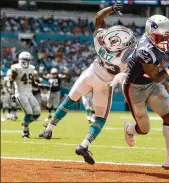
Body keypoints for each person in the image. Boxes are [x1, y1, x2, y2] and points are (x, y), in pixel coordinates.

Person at [39, 1, 136, 165]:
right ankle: (84, 145)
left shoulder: (100, 41)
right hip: (105, 84)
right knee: (100, 119)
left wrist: (111, 9)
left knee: (69, 100)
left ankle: (49, 129)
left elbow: (98, 18)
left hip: (90, 74)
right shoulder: (127, 58)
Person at [112, 15, 169, 172]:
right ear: (151, 34)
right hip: (135, 88)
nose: (165, 40)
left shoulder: (163, 35)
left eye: (166, 36)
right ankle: (129, 129)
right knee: (144, 130)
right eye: (160, 37)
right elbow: (157, 77)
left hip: (150, 84)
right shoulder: (145, 51)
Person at [9, 51, 41, 138]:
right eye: (24, 59)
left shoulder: (31, 68)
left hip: (29, 93)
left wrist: (38, 85)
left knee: (37, 113)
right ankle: (25, 132)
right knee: (29, 113)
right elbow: (11, 81)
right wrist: (12, 93)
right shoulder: (15, 68)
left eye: (27, 59)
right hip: (20, 93)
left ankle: (24, 123)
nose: (26, 61)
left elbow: (32, 82)